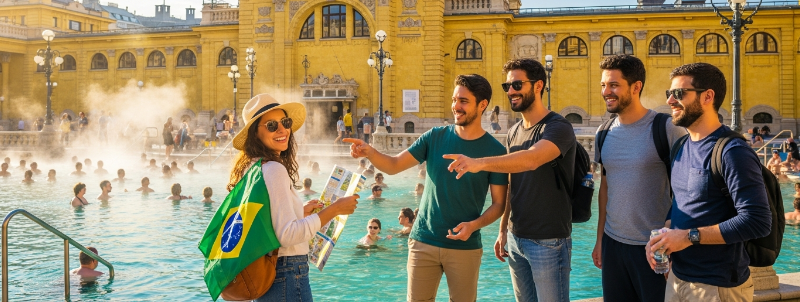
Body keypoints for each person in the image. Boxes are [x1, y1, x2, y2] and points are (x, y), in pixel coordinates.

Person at [346, 74, 508, 302]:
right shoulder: (435, 137)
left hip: (465, 245)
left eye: (463, 101)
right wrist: (370, 152)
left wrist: (473, 226)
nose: (455, 106)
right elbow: (393, 166)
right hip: (423, 241)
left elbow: (499, 204)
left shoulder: (495, 151)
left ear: (482, 105)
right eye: (454, 100)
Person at [443, 59, 577, 302]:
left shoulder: (558, 127)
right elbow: (512, 184)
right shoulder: (514, 131)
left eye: (517, 84)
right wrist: (503, 229)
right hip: (516, 239)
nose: (511, 92)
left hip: (549, 241)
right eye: (507, 86)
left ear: (538, 86)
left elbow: (532, 159)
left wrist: (479, 162)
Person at [647, 63, 771, 301]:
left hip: (717, 287)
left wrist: (687, 237)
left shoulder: (732, 151)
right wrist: (663, 238)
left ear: (708, 96)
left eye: (679, 93)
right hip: (677, 278)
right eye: (669, 94)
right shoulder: (680, 146)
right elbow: (684, 204)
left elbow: (757, 221)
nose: (671, 101)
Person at [227, 93, 359, 302]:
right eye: (271, 125)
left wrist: (299, 211)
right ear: (255, 134)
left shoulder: (252, 168)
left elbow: (265, 221)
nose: (282, 130)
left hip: (267, 273)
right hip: (287, 273)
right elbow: (287, 236)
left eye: (285, 122)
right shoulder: (274, 169)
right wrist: (335, 210)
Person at [587, 54, 687, 302]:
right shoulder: (604, 132)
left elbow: (688, 189)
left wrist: (674, 240)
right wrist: (600, 240)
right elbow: (605, 188)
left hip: (655, 250)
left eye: (613, 85)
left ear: (636, 86)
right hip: (613, 246)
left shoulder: (666, 128)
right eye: (603, 85)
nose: (606, 92)